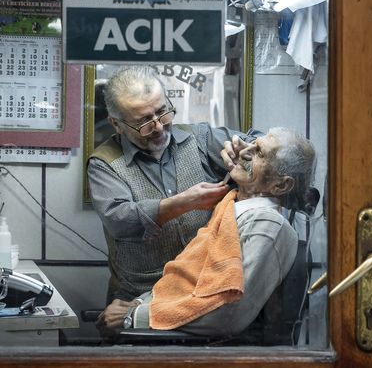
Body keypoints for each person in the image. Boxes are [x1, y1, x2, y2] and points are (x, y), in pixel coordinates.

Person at [96, 127, 317, 339]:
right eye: (251, 145)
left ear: (281, 185)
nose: (244, 151)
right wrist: (137, 304)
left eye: (259, 152)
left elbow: (228, 315)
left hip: (191, 348)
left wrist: (134, 317)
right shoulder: (229, 209)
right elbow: (184, 286)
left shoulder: (268, 225)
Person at [87, 66, 258, 303]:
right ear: (117, 125)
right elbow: (120, 219)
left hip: (204, 289)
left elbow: (261, 144)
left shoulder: (200, 138)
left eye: (162, 112)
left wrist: (247, 149)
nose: (158, 127)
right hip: (140, 296)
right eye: (144, 121)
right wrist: (183, 203)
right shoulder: (104, 163)